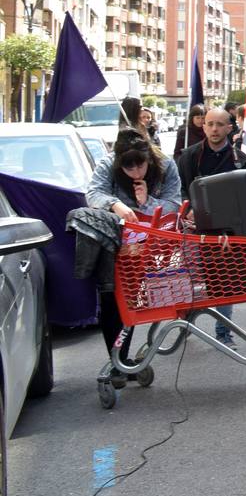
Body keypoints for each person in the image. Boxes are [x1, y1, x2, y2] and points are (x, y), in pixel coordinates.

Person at [88, 129, 183, 367]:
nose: (136, 173)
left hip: (153, 244)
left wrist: (146, 202)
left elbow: (174, 205)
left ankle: (124, 359)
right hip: (117, 243)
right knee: (113, 297)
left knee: (139, 298)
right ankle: (118, 360)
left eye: (140, 166)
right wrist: (115, 204)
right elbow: (92, 193)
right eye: (128, 169)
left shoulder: (166, 164)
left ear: (148, 158)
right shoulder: (107, 164)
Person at [173, 108, 246, 345]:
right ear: (203, 127)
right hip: (192, 231)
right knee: (189, 281)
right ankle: (185, 323)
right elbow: (178, 189)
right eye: (210, 124)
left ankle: (223, 333)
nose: (214, 129)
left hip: (225, 233)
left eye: (219, 124)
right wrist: (188, 209)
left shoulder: (242, 160)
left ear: (230, 128)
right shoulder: (188, 157)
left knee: (224, 283)